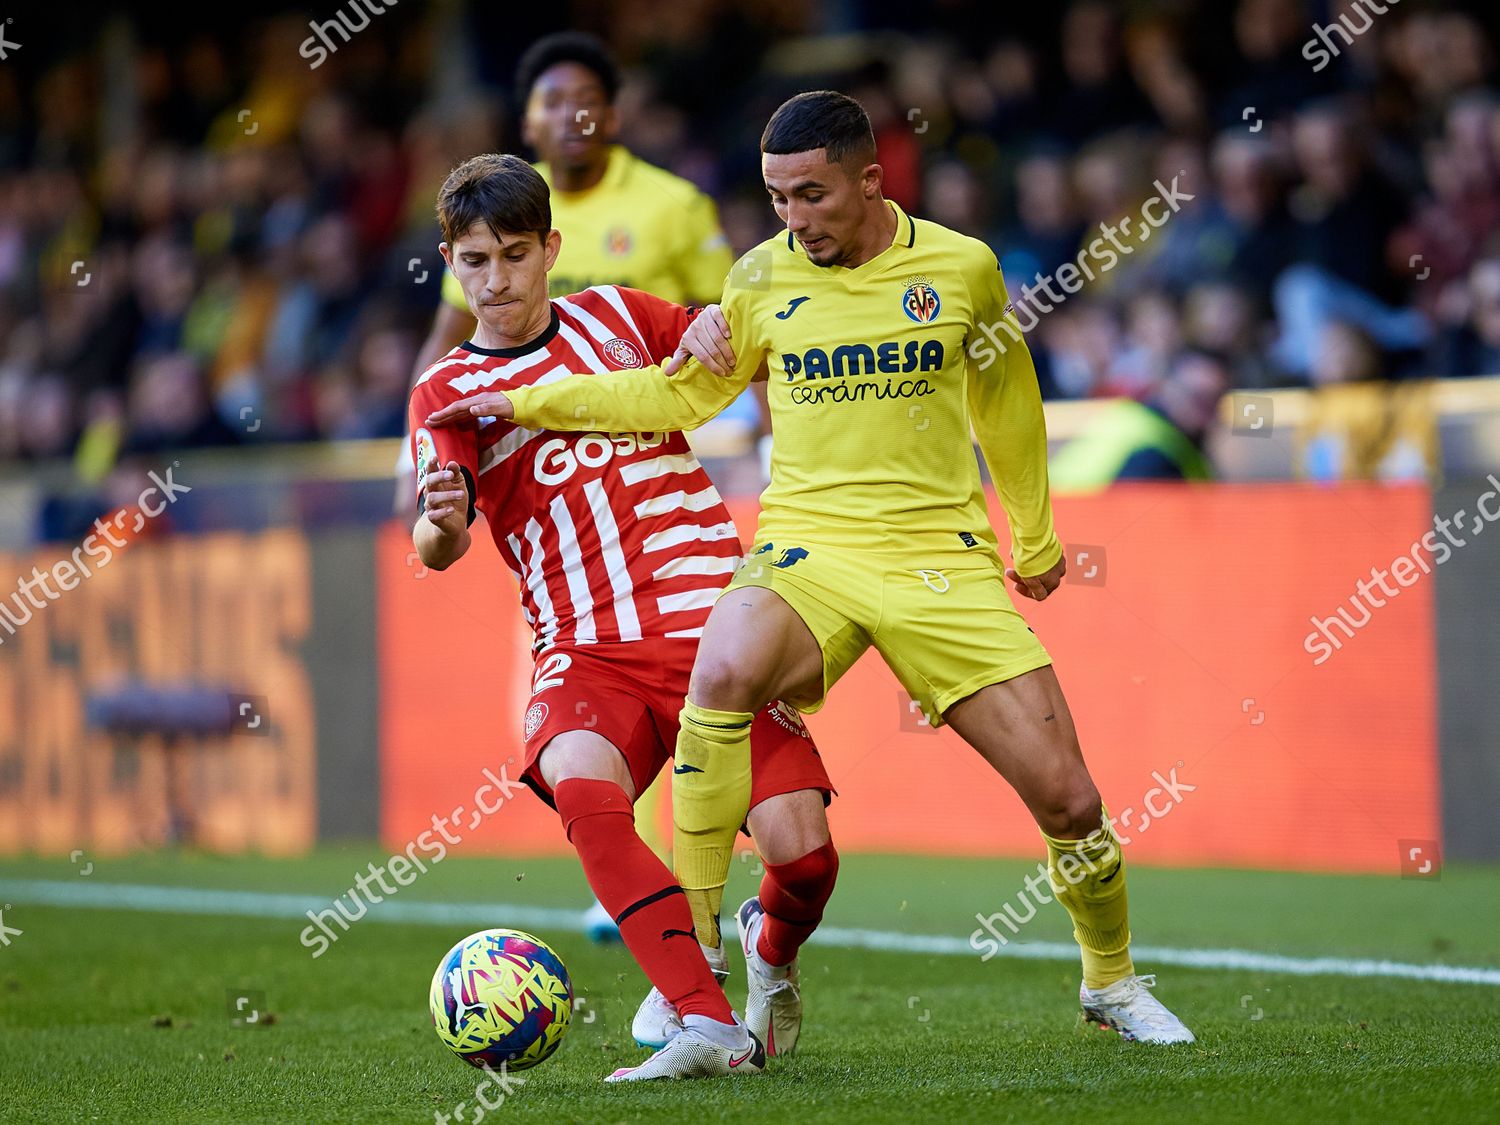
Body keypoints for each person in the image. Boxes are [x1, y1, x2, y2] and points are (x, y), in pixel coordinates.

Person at [427, 91, 1196, 1046]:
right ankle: (694, 965)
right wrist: (527, 400)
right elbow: (677, 393)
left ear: (870, 181)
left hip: (936, 564)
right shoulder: (759, 280)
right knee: (721, 667)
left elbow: (1006, 393)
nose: (793, 220)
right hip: (805, 553)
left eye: (811, 197)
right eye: (776, 198)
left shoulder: (963, 270)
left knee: (1068, 797)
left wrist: (1033, 532)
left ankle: (1110, 982)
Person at [409, 153, 838, 1081]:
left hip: (716, 637)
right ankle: (705, 1018)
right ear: (451, 261)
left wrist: (721, 323)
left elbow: (718, 342)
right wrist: (438, 524)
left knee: (805, 860)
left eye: (515, 256)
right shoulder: (446, 394)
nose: (497, 281)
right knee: (581, 786)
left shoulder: (616, 316)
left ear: (550, 248)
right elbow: (436, 545)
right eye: (475, 261)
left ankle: (767, 945)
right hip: (584, 649)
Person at [401, 32, 741, 946]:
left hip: (662, 439)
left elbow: (728, 319)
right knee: (582, 670)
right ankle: (652, 896)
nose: (570, 117)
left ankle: (710, 902)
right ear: (528, 120)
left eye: (585, 101)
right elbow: (444, 360)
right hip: (549, 509)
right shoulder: (474, 287)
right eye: (552, 102)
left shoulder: (666, 211)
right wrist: (427, 461)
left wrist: (720, 365)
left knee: (705, 682)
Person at [1048, 349, 1230, 488]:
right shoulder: (1153, 453)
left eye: (1215, 400)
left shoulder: (1136, 420)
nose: (1207, 411)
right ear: (1167, 386)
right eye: (1197, 397)